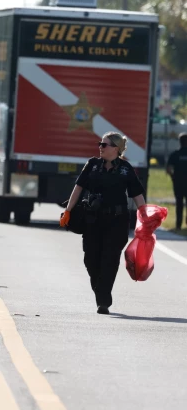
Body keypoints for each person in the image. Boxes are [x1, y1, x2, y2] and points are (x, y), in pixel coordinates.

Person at [60, 132, 146, 315]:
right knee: (90, 259)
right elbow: (78, 187)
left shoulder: (125, 169)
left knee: (109, 259)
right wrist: (68, 210)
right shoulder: (92, 165)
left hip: (117, 221)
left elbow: (137, 194)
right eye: (100, 144)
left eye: (104, 145)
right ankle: (101, 291)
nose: (100, 147)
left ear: (116, 149)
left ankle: (103, 300)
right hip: (93, 220)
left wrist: (144, 218)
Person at [166, 132, 187, 230]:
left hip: (178, 183)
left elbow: (169, 169)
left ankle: (178, 224)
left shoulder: (175, 154)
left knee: (179, 204)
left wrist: (173, 177)